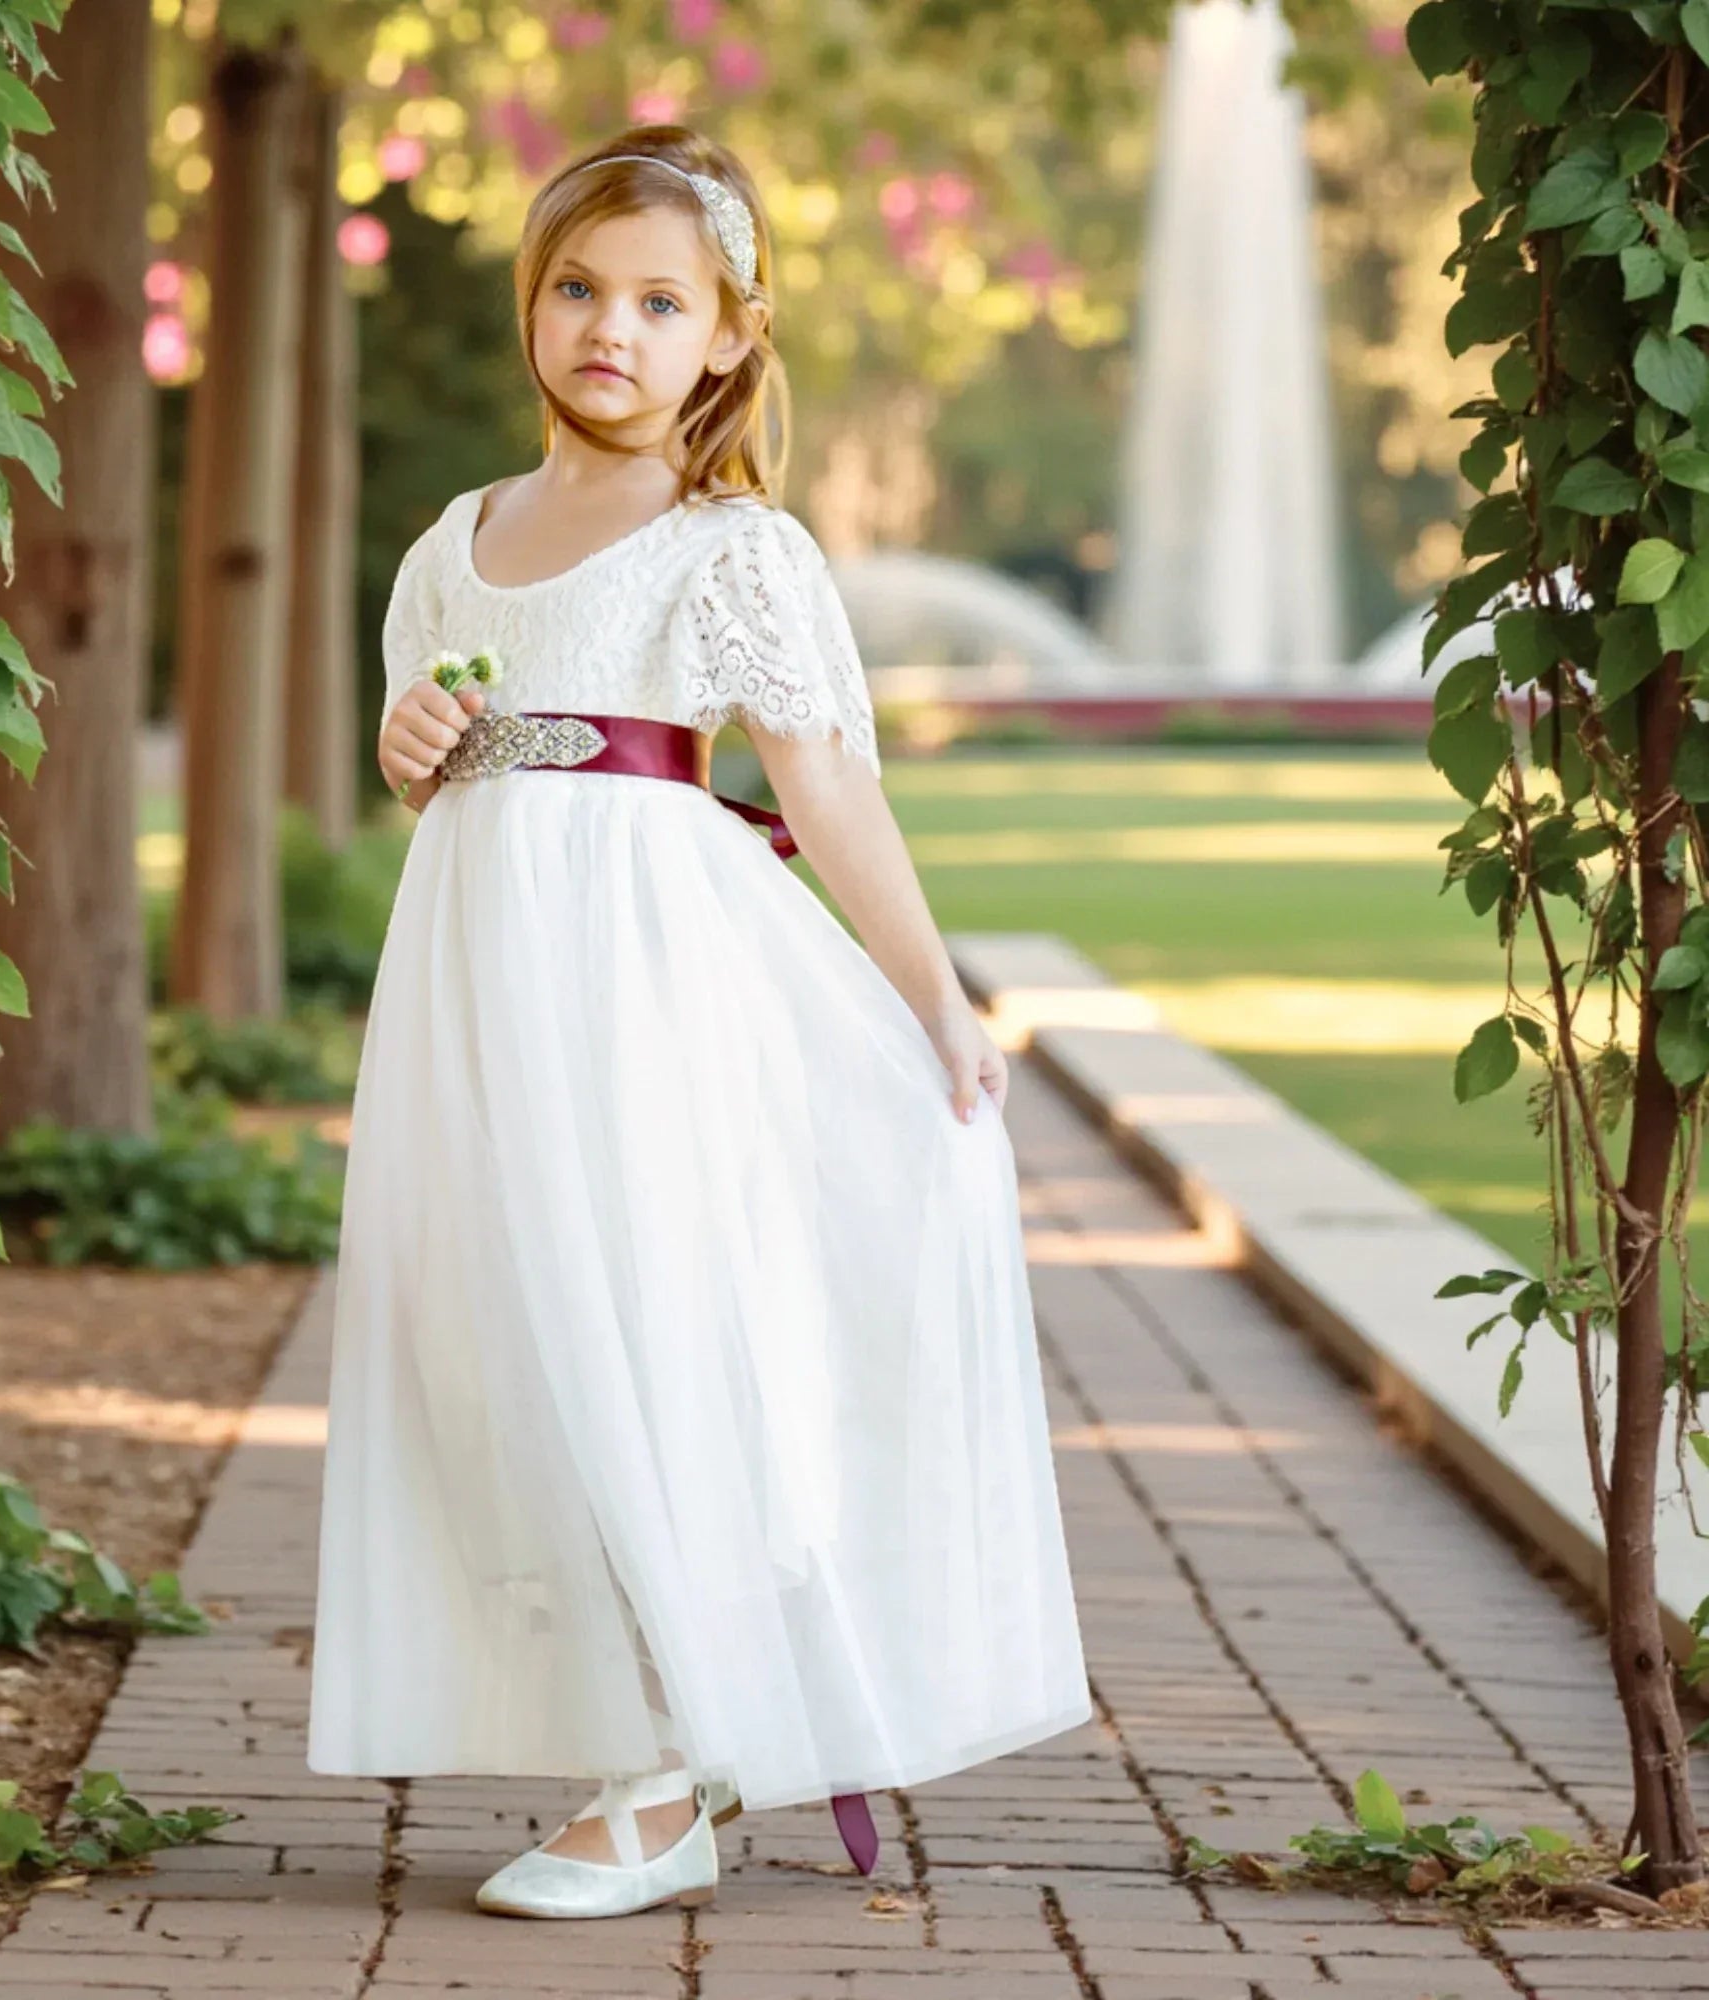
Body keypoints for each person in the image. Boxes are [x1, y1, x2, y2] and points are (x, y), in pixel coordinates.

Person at [305, 124, 1091, 1922]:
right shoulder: (456, 543)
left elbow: (826, 789)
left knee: (640, 1329)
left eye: (660, 302)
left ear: (726, 341)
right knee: (504, 1338)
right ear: (534, 306)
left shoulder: (730, 545)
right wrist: (405, 743)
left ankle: (664, 1774)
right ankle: (630, 1730)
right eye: (578, 288)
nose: (611, 328)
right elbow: (431, 750)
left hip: (645, 980)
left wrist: (940, 1005)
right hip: (479, 984)